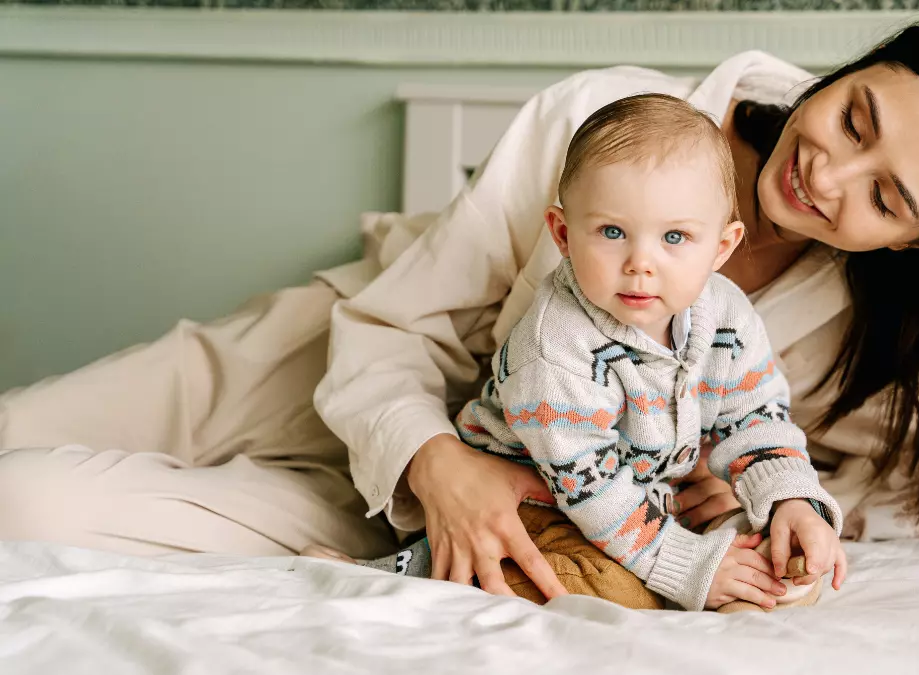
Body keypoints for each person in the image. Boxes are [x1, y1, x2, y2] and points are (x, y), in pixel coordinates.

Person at [0, 19, 919, 603]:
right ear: (850, 71)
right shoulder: (605, 113)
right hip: (334, 364)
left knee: (24, 508)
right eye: (856, 117)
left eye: (888, 196)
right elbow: (394, 331)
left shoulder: (855, 322)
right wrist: (439, 462)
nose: (832, 174)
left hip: (452, 509)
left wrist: (766, 495)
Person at [308, 93, 846, 612]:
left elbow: (757, 418)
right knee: (618, 590)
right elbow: (594, 491)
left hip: (639, 495)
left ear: (721, 247)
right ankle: (384, 574)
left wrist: (790, 500)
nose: (641, 262)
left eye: (675, 238)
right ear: (563, 234)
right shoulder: (557, 345)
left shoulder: (726, 316)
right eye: (612, 231)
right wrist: (688, 565)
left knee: (767, 553)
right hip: (530, 502)